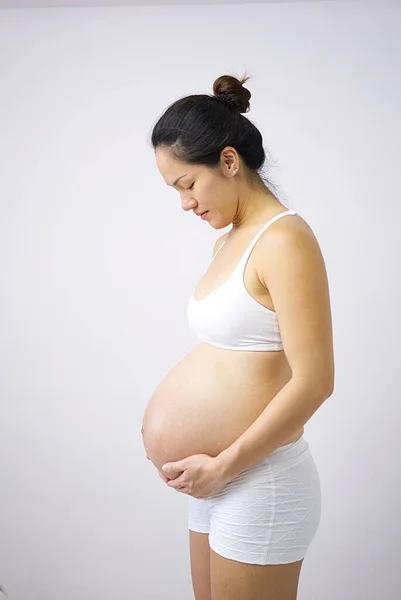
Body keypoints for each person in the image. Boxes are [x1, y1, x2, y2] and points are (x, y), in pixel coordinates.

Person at [146, 73, 335, 600]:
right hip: (214, 478)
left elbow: (316, 381)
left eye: (188, 185)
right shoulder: (231, 238)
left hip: (259, 478)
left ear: (229, 162)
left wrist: (224, 466)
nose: (185, 203)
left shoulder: (286, 239)